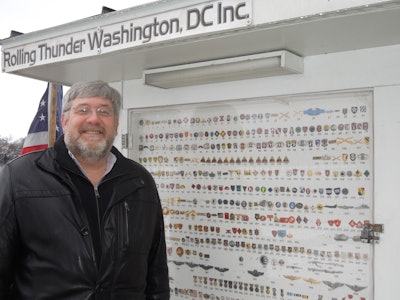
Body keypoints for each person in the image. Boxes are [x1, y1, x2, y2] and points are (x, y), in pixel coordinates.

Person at [0, 80, 170, 299]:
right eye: (83, 110)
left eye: (104, 111)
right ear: (65, 120)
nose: (94, 119)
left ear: (116, 124)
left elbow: (156, 271)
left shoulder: (140, 181)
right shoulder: (19, 178)